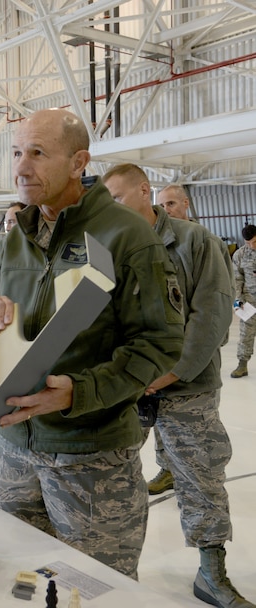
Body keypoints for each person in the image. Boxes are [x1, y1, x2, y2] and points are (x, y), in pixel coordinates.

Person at [0, 109, 185, 579]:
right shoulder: (14, 240)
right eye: (15, 153)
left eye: (37, 153)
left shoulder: (127, 237)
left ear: (78, 162)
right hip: (13, 449)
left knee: (95, 587)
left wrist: (79, 391)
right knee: (14, 581)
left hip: (90, 459)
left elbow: (160, 343)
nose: (21, 168)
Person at [103, 163, 252, 608]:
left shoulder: (195, 241)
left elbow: (212, 317)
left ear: (144, 191)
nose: (111, 210)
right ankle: (111, 571)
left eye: (117, 198)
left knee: (201, 480)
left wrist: (167, 374)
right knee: (109, 480)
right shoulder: (110, 249)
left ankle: (212, 573)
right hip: (127, 387)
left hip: (187, 388)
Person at [231, 224, 256, 378]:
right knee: (245, 333)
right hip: (249, 301)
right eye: (248, 243)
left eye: (254, 242)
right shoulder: (239, 254)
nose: (252, 246)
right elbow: (236, 279)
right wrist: (237, 303)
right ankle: (242, 365)